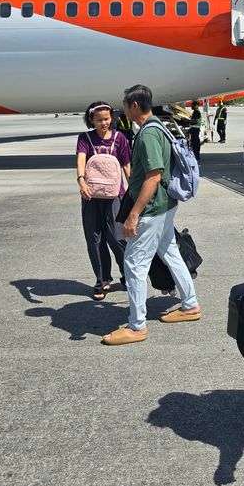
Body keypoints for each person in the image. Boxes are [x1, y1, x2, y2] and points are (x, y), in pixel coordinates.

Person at [102, 84, 201, 345]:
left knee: (134, 265)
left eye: (124, 104)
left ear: (134, 106)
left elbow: (153, 176)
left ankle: (136, 326)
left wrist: (134, 214)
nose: (121, 109)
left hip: (152, 209)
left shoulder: (147, 135)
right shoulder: (158, 126)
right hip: (165, 206)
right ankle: (190, 304)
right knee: (170, 253)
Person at [76, 102, 131, 301]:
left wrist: (133, 191)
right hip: (91, 195)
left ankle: (128, 274)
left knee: (117, 238)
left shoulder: (120, 138)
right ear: (91, 120)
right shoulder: (85, 138)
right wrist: (81, 180)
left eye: (106, 119)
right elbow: (81, 159)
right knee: (95, 239)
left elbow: (126, 165)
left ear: (112, 118)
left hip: (115, 195)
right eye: (99, 120)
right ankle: (102, 280)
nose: (103, 123)